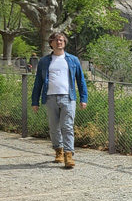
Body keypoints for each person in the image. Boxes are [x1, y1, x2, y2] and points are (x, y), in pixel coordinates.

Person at [30, 32, 88, 169]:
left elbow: (80, 80)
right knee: (54, 127)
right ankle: (59, 151)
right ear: (51, 43)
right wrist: (35, 101)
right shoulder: (44, 61)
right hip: (50, 97)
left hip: (68, 97)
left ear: (65, 42)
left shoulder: (73, 60)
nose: (59, 42)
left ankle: (69, 155)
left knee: (67, 126)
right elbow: (38, 82)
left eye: (61, 40)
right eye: (56, 40)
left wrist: (83, 98)